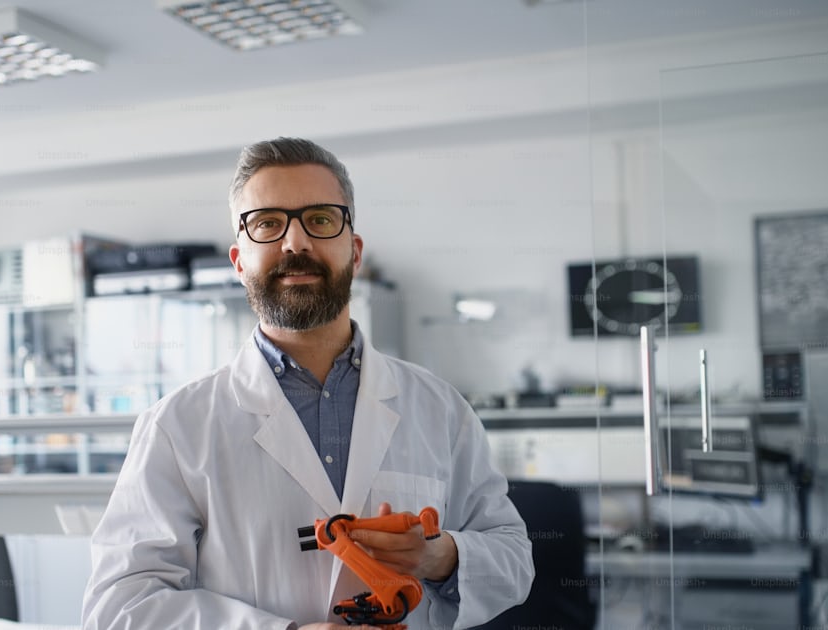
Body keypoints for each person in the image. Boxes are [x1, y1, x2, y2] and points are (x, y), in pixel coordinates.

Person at [81, 137, 533, 629]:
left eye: (320, 219)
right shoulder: (177, 426)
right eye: (268, 224)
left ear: (355, 252)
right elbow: (120, 607)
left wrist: (440, 557)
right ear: (238, 262)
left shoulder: (439, 408)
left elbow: (513, 559)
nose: (295, 243)